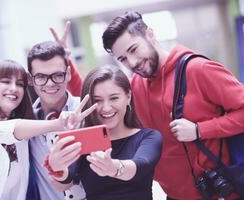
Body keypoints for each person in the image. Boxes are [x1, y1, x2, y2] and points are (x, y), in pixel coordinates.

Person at [101, 11, 244, 199]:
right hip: (173, 196)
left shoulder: (198, 69)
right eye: (123, 59)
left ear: (150, 34)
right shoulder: (135, 86)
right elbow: (104, 97)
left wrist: (200, 130)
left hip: (219, 193)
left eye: (134, 49)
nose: (132, 62)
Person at [0, 60, 96, 200]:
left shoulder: (26, 137)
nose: (13, 88)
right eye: (5, 81)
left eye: (19, 84)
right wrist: (58, 123)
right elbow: (5, 130)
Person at [46, 66, 163, 200]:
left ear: (128, 97)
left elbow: (141, 165)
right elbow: (64, 184)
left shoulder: (149, 137)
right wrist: (56, 166)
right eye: (97, 100)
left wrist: (114, 168)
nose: (106, 108)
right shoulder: (83, 140)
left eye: (114, 98)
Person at [25, 40, 86, 200]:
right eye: (40, 77)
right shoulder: (25, 121)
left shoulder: (87, 112)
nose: (50, 83)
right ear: (31, 79)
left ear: (68, 74)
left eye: (58, 75)